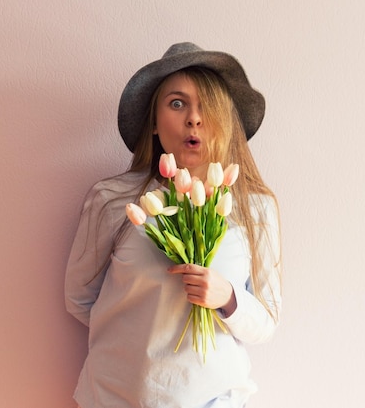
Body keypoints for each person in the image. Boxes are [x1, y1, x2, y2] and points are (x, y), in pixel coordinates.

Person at [64, 42, 282, 408]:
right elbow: (80, 298)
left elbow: (267, 319)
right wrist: (137, 336)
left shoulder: (253, 208)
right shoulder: (113, 200)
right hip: (113, 398)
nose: (194, 119)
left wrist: (228, 299)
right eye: (177, 103)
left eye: (207, 106)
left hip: (216, 400)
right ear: (153, 122)